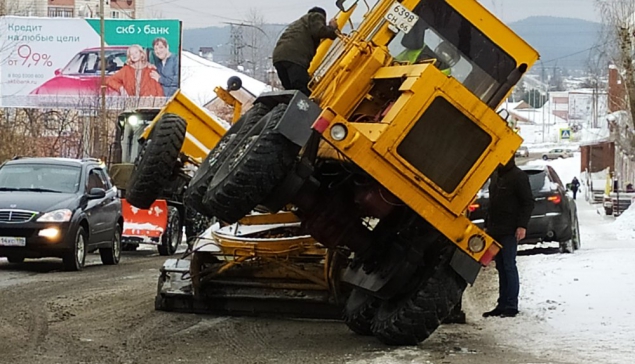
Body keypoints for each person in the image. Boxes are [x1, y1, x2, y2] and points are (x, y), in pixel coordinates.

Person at [483, 156, 534, 318]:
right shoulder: (496, 176)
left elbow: (528, 202)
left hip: (510, 230)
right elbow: (492, 203)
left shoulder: (519, 176)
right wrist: (487, 224)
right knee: (500, 266)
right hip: (495, 229)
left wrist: (522, 226)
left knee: (509, 265)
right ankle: (502, 304)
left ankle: (511, 305)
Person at [272, 7, 338, 96]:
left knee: (291, 92)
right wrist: (332, 28)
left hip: (279, 57)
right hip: (294, 57)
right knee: (303, 91)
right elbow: (320, 31)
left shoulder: (299, 24)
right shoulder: (315, 16)